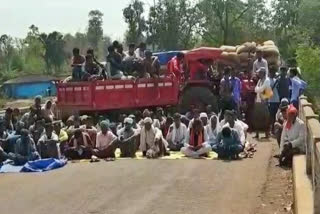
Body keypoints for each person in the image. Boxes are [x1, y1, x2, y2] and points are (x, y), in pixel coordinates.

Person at [254, 67, 271, 139]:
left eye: (260, 73)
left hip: (264, 101)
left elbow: (261, 89)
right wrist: (259, 89)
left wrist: (258, 89)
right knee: (257, 118)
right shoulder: (260, 80)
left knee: (265, 118)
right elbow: (256, 89)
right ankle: (257, 134)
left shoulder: (267, 80)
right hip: (258, 101)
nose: (258, 74)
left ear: (263, 73)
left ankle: (266, 134)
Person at [268, 68, 281, 133]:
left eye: (274, 73)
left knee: (276, 115)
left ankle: (274, 128)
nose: (273, 74)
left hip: (276, 99)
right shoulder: (267, 81)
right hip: (271, 100)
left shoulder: (275, 80)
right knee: (271, 116)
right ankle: (271, 129)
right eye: (272, 73)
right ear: (270, 73)